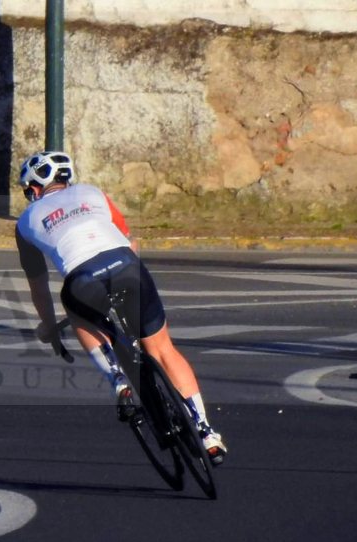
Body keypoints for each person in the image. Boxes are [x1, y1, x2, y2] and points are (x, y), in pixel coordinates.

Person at [14, 150, 228, 465]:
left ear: (34, 188)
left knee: (75, 309)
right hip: (127, 266)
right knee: (163, 348)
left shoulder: (24, 222)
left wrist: (47, 326)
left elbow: (38, 285)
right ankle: (206, 431)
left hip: (82, 279)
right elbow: (129, 241)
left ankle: (118, 380)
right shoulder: (94, 193)